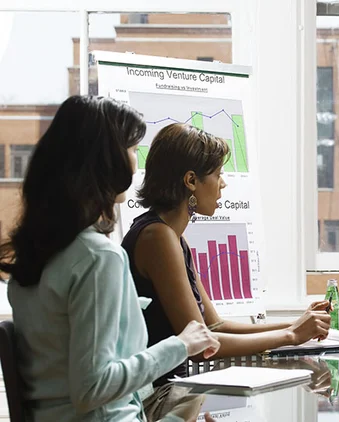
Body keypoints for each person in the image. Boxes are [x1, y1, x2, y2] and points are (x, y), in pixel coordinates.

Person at [0, 96, 220, 422]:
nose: (135, 162)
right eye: (132, 149)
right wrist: (180, 345)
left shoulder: (35, 260)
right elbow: (93, 387)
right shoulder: (98, 258)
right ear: (106, 162)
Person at [121, 123, 332, 396]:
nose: (223, 183)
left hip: (175, 391)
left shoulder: (172, 237)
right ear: (191, 181)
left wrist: (297, 323)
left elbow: (215, 326)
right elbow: (200, 347)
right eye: (218, 174)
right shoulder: (158, 237)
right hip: (155, 397)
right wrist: (291, 336)